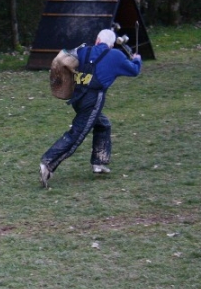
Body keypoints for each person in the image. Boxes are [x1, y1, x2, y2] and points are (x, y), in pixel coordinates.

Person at [39, 29, 142, 188]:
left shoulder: (82, 50)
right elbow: (134, 70)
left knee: (103, 125)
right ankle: (48, 163)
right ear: (112, 44)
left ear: (97, 40)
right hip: (93, 100)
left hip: (77, 98)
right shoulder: (116, 55)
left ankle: (99, 162)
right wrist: (137, 59)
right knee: (77, 134)